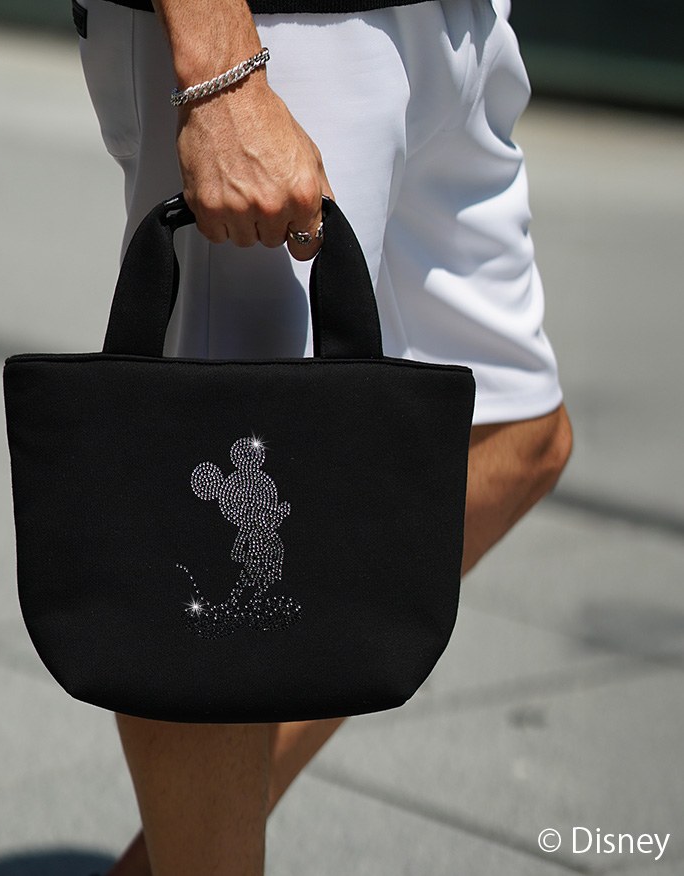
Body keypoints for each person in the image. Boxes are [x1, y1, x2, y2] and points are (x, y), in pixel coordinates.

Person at [76, 0, 573, 871]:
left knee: (521, 432)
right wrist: (219, 73)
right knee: (208, 604)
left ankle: (183, 848)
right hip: (280, 37)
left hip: (450, 26)